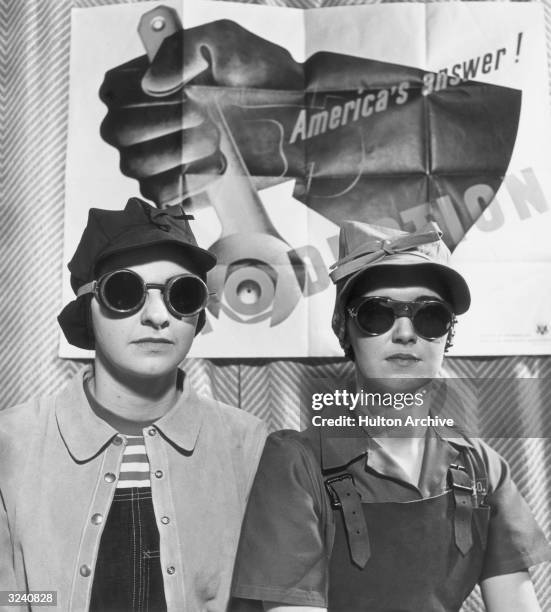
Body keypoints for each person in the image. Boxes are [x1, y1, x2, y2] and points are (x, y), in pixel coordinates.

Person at [231, 221, 551, 612]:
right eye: (376, 315)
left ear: (448, 335)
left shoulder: (482, 468)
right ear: (344, 329)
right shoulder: (296, 464)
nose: (404, 333)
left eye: (429, 316)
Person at [0, 197, 267, 611]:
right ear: (86, 309)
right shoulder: (11, 442)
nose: (158, 316)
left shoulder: (250, 445)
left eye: (183, 294)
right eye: (125, 291)